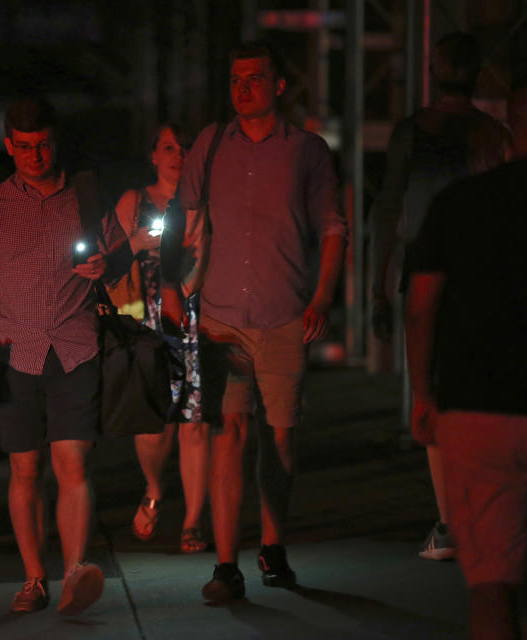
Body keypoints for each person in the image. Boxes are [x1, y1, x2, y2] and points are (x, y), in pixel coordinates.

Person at [405, 64, 527, 640]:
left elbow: (421, 306)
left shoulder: (460, 203)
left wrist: (424, 394)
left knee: (491, 585)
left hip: (474, 411)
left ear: (511, 129)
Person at [174, 39, 347, 602]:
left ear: (278, 85)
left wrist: (321, 297)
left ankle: (273, 544)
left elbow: (332, 227)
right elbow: (183, 211)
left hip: (281, 313)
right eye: (234, 80)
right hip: (222, 315)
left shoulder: (307, 151)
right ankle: (227, 565)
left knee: (279, 439)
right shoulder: (212, 143)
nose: (242, 89)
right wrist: (176, 285)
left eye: (253, 79)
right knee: (229, 435)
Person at [0, 97, 130, 615]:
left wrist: (106, 264)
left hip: (75, 346)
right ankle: (33, 578)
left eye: (42, 144)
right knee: (24, 470)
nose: (34, 155)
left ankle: (73, 574)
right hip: (13, 351)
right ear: (9, 147)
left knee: (73, 464)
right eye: (23, 147)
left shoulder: (85, 194)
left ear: (55, 142)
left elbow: (121, 251)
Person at [370, 32, 509, 561]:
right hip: (484, 279)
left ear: (432, 69)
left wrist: (379, 287)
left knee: (429, 393)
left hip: (427, 274)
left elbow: (386, 210)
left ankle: (451, 524)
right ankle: (481, 516)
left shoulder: (412, 132)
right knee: (479, 395)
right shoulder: (493, 133)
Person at [112, 124, 210, 554]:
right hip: (147, 321)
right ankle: (154, 489)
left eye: (184, 147)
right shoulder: (134, 202)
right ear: (154, 154)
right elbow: (107, 260)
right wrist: (136, 242)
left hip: (197, 316)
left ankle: (193, 521)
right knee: (153, 425)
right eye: (169, 147)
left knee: (196, 423)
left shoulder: (205, 201)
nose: (178, 154)